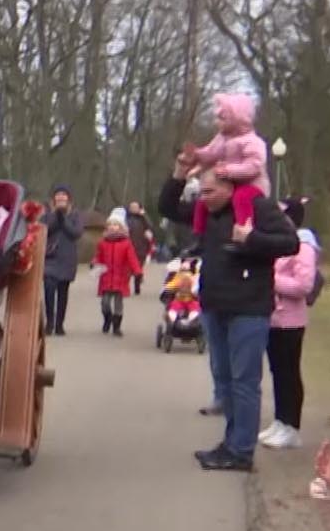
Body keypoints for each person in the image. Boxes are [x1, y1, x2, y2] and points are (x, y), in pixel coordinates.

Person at [159, 153, 299, 471]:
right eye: (201, 193)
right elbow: (167, 208)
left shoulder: (259, 208)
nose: (203, 200)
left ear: (229, 187)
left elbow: (290, 242)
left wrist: (252, 238)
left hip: (249, 308)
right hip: (214, 305)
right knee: (225, 381)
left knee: (244, 381)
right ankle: (231, 441)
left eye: (210, 192)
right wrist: (179, 173)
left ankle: (242, 451)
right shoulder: (206, 213)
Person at [261, 196, 320, 451]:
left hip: (291, 320)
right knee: (276, 372)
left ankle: (292, 427)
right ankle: (280, 421)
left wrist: (271, 280)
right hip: (272, 318)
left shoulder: (303, 247)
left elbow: (304, 285)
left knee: (289, 373)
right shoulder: (277, 244)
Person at [183, 92, 273, 237]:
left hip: (252, 185)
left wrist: (229, 171)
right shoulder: (221, 138)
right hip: (228, 184)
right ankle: (198, 235)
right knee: (203, 200)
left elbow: (254, 166)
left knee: (241, 198)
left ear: (237, 119)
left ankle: (243, 232)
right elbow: (211, 153)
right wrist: (197, 154)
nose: (217, 123)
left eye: (222, 119)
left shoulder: (252, 141)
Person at [41, 186, 83, 336]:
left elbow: (75, 233)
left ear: (68, 199)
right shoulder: (47, 214)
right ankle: (50, 323)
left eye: (63, 196)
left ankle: (60, 324)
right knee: (48, 290)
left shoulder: (75, 215)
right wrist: (55, 216)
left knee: (63, 292)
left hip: (67, 259)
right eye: (58, 196)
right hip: (50, 258)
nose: (60, 198)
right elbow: (45, 230)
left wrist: (63, 218)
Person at [91, 209, 140, 337]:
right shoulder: (102, 243)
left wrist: (137, 271)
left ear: (121, 227)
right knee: (105, 303)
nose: (113, 227)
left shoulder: (126, 244)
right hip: (106, 277)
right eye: (111, 225)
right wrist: (95, 262)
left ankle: (117, 326)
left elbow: (132, 258)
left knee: (118, 304)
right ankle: (107, 319)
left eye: (116, 225)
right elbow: (98, 256)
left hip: (121, 278)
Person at [126, 201, 155, 294]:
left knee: (138, 269)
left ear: (139, 208)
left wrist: (144, 215)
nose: (133, 209)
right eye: (132, 207)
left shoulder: (143, 219)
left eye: (135, 207)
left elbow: (150, 226)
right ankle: (124, 288)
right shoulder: (126, 219)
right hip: (128, 247)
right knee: (127, 269)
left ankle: (137, 287)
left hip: (141, 247)